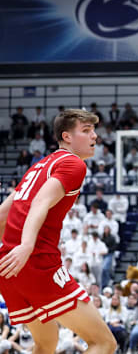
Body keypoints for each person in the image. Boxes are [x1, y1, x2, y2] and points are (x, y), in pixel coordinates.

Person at [0, 109, 117, 353]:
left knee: (46, 344)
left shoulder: (39, 166)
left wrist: (15, 250)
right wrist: (27, 246)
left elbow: (2, 214)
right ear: (67, 137)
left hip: (9, 265)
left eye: (93, 130)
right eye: (86, 131)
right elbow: (40, 202)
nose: (94, 136)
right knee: (104, 343)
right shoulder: (74, 164)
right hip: (34, 262)